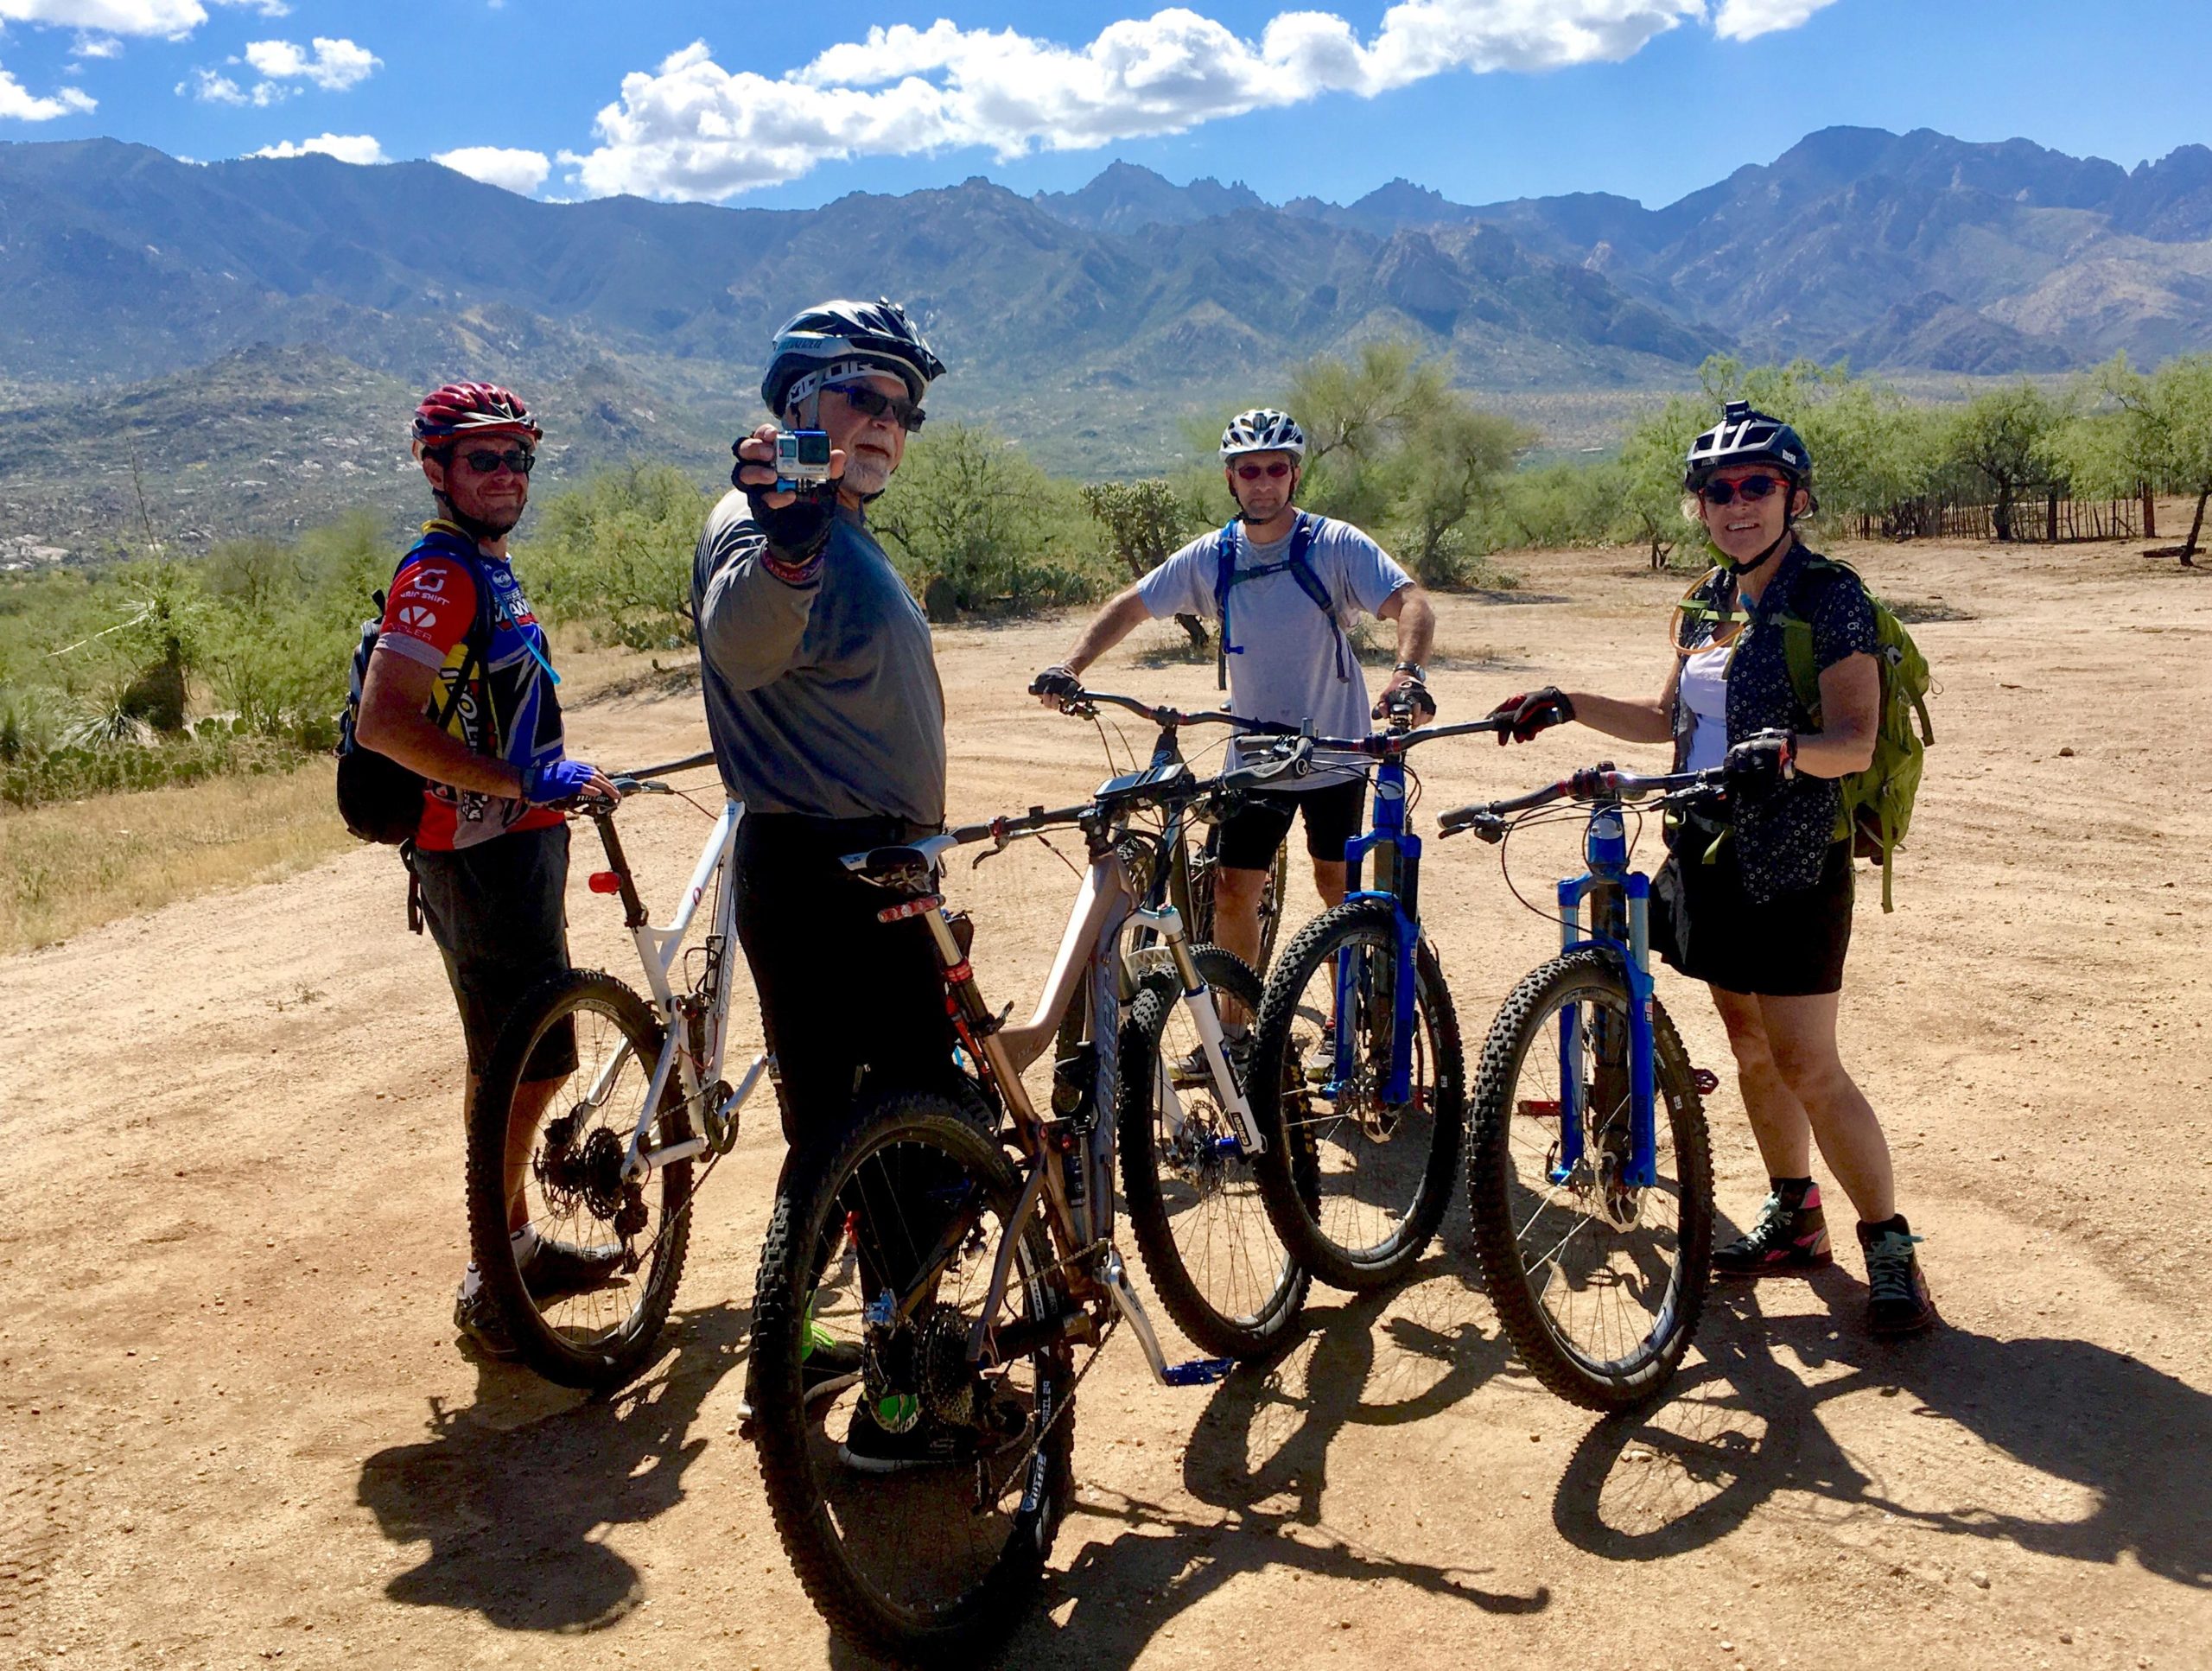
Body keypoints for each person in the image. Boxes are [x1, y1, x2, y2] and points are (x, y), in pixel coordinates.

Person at [1484, 401, 1936, 1336]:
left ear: (1794, 495)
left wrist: (1782, 751)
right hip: (1704, 851)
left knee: (1809, 1061)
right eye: (1717, 490)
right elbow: (1667, 721)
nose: (1737, 504)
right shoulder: (1704, 600)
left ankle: (1887, 1244)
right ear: (1698, 506)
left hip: (1795, 858)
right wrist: (1566, 700)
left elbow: (1851, 741)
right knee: (1748, 1046)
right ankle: (1792, 1213)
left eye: (1756, 486)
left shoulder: (1829, 596)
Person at [693, 299, 974, 1467]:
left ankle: (804, 1340)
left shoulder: (834, 524)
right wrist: (791, 540)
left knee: (842, 1133)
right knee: (913, 1130)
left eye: (903, 407)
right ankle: (898, 1402)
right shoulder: (760, 523)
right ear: (799, 398)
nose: (886, 424)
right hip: (832, 871)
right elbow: (746, 640)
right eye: (864, 394)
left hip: (859, 863)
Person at [1032, 408, 1436, 1052]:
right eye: (1250, 471)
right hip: (1254, 752)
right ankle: (1236, 1030)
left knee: (1336, 884)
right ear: (1231, 478)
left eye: (1276, 469)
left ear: (1295, 475)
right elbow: (1133, 604)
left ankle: (1346, 1019)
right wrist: (1070, 665)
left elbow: (1411, 602)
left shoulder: (1334, 545)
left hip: (1333, 747)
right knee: (1230, 887)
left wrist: (1407, 673)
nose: (1263, 482)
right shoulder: (1216, 557)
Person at [353, 382, 616, 1360]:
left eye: (517, 459)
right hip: (478, 848)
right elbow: (387, 720)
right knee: (535, 1060)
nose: (506, 476)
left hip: (513, 836)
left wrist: (553, 780)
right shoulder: (440, 571)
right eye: (483, 460)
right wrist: (513, 780)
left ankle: (508, 1246)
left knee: (499, 1058)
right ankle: (495, 1277)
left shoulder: (486, 565)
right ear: (437, 469)